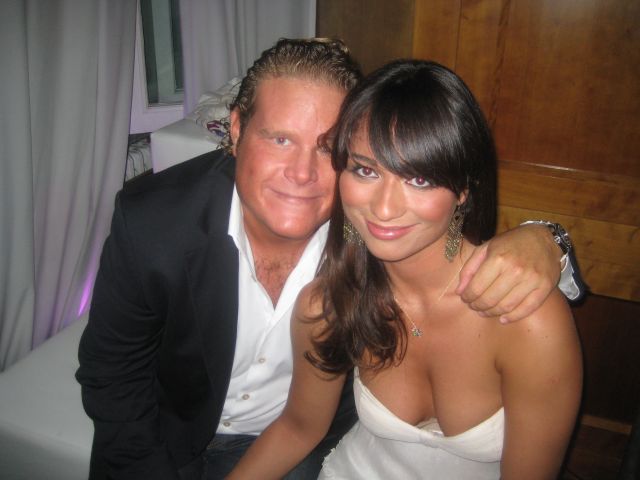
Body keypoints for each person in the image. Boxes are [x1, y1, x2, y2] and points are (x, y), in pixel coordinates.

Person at [76, 39, 581, 480]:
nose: (301, 174)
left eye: (325, 148)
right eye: (280, 139)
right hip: (169, 438)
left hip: (303, 449)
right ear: (236, 129)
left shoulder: (365, 237)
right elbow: (113, 377)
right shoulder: (157, 224)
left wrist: (548, 238)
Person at [227, 59, 583, 479]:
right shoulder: (328, 305)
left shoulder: (526, 320)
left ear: (463, 189)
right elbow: (297, 428)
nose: (384, 208)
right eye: (365, 170)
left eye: (418, 179)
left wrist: (549, 237)